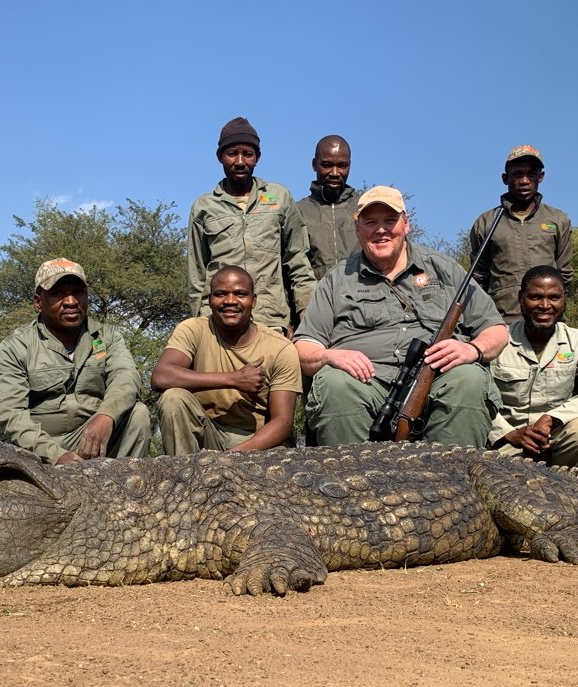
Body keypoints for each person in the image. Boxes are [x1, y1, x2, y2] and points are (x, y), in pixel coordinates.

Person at [293, 185, 509, 448]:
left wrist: (472, 350)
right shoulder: (336, 279)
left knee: (470, 379)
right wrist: (331, 355)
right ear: (358, 230)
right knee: (333, 384)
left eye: (390, 220)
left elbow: (496, 330)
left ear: (406, 225)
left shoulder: (445, 270)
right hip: (364, 385)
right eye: (371, 222)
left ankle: (453, 483)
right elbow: (304, 347)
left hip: (436, 381)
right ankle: (349, 486)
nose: (381, 229)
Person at [0, 258, 151, 464]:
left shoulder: (107, 337)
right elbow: (12, 416)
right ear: (38, 302)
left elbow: (126, 377)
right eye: (58, 293)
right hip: (35, 448)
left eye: (78, 292)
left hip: (92, 438)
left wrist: (106, 417)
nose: (71, 301)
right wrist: (57, 456)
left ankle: (123, 490)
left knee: (138, 414)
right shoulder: (15, 346)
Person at [187, 116, 316, 336]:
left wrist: (307, 318)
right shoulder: (203, 206)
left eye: (247, 154)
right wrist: (198, 324)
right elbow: (196, 273)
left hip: (270, 320)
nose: (239, 161)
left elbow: (298, 262)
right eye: (231, 154)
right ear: (220, 157)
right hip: (217, 323)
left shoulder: (279, 197)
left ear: (257, 157)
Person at [151, 266, 301, 455]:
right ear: (210, 300)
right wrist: (233, 379)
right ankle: (184, 476)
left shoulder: (281, 348)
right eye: (221, 294)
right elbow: (161, 376)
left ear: (253, 301)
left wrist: (231, 457)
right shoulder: (192, 329)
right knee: (173, 398)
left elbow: (283, 422)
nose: (230, 301)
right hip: (204, 432)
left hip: (253, 440)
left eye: (240, 294)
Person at [488, 266, 578, 469]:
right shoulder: (497, 340)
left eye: (553, 298)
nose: (545, 305)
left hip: (557, 437)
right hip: (509, 442)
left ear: (564, 299)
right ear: (521, 298)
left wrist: (552, 418)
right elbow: (478, 399)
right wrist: (507, 433)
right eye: (535, 297)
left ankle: (570, 491)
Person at [470, 145, 573, 323]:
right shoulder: (486, 222)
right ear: (505, 178)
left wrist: (549, 306)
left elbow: (565, 274)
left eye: (531, 174)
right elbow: (478, 278)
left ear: (541, 177)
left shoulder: (558, 219)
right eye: (517, 174)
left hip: (547, 319)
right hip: (502, 320)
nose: (524, 181)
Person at [296, 135, 360, 279]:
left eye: (342, 166)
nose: (335, 173)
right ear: (314, 164)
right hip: (315, 298)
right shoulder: (298, 212)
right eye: (327, 165)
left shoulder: (365, 208)